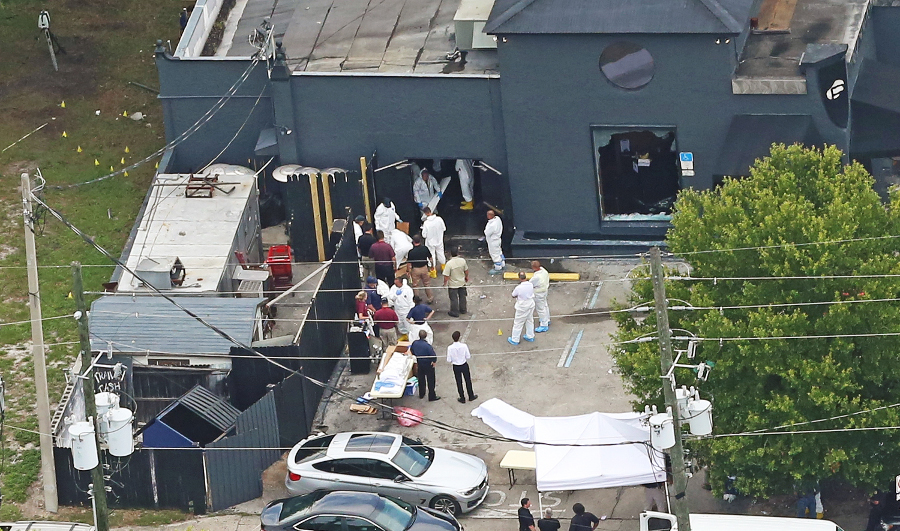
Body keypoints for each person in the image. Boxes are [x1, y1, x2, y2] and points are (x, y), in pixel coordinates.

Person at [446, 331, 477, 403]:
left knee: (459, 382)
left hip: (456, 366)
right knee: (468, 380)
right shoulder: (464, 346)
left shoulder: (450, 348)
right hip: (464, 364)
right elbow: (468, 356)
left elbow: (448, 360)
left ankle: (462, 397)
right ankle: (471, 395)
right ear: (459, 337)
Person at [410, 329, 439, 401]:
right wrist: (434, 361)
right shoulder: (427, 346)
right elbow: (433, 356)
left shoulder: (415, 343)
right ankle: (431, 396)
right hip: (428, 365)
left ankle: (421, 394)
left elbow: (412, 351)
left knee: (421, 379)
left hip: (420, 364)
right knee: (431, 380)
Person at [509, 271, 535, 345]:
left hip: (522, 306)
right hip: (530, 303)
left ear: (519, 278)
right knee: (529, 320)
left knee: (518, 323)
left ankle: (515, 339)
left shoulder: (518, 288)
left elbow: (513, 295)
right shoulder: (530, 284)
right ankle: (530, 336)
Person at [407, 235, 434, 304]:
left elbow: (409, 263)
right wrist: (432, 266)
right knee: (427, 284)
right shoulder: (425, 248)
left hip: (415, 270)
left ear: (413, 242)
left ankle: (417, 299)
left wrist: (408, 271)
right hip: (424, 268)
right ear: (420, 241)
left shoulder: (411, 252)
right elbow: (430, 258)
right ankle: (430, 298)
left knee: (415, 285)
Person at [443, 247, 468, 317]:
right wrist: (466, 277)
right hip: (461, 282)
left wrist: (445, 283)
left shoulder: (449, 264)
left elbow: (446, 275)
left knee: (454, 299)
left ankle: (454, 312)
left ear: (450, 254)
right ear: (457, 253)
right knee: (462, 296)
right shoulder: (462, 261)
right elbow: (466, 270)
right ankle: (463, 309)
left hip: (453, 284)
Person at [531, 260, 551, 332]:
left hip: (538, 293)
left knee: (540, 309)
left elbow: (531, 284)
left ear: (534, 267)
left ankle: (544, 324)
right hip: (545, 291)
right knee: (545, 305)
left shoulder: (536, 277)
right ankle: (547, 319)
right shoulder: (544, 271)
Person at [484, 209, 505, 274]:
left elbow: (487, 233)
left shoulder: (492, 225)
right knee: (499, 252)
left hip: (493, 241)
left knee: (494, 254)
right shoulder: (498, 219)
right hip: (498, 239)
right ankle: (503, 264)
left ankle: (498, 268)